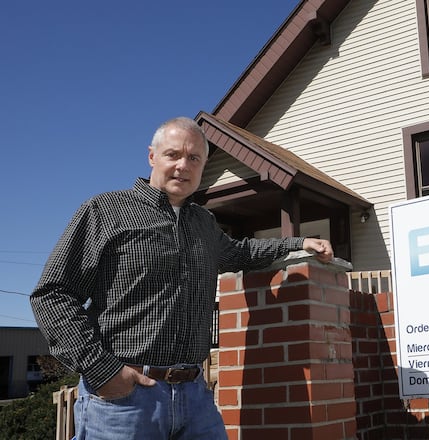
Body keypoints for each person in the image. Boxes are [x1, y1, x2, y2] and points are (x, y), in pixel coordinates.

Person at [30, 117, 334, 439]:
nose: (182, 166)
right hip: (124, 401)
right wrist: (102, 370)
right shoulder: (105, 211)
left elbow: (240, 252)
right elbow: (53, 293)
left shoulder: (204, 222)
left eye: (193, 158)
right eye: (172, 155)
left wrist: (298, 243)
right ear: (152, 157)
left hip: (195, 399)